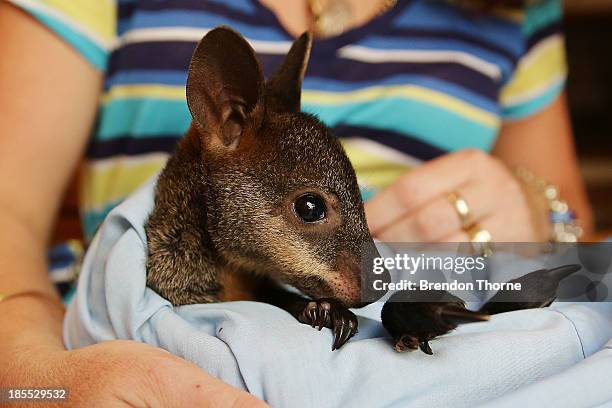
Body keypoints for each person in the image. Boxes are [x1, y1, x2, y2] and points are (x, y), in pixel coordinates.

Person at [0, 0, 592, 405]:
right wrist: (39, 384)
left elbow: (581, 254)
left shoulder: (514, 9)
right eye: (311, 211)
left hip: (411, 341)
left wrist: (539, 218)